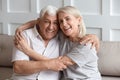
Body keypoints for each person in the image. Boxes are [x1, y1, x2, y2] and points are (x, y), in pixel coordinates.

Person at [12, 5, 100, 80]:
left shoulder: (86, 44)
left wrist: (28, 50)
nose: (64, 24)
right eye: (61, 21)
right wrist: (22, 27)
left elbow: (59, 64)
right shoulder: (63, 37)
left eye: (67, 19)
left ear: (79, 20)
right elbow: (44, 21)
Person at [11, 5, 70, 80]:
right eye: (46, 22)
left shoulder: (63, 37)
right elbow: (18, 67)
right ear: (38, 22)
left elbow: (75, 30)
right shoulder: (24, 36)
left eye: (55, 23)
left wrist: (90, 37)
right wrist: (51, 64)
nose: (51, 27)